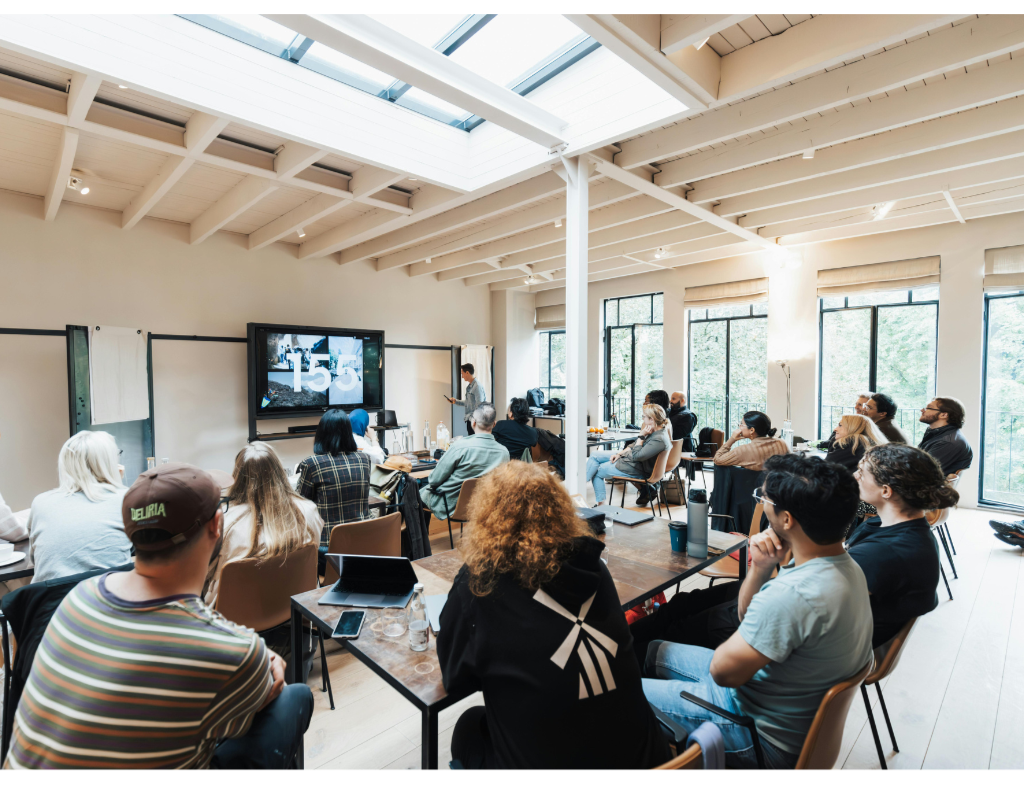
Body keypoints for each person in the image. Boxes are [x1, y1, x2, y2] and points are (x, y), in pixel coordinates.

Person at [2, 463, 313, 771]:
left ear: (130, 532)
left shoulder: (79, 596)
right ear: (216, 525)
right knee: (294, 698)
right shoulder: (230, 650)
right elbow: (262, 694)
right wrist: (255, 657)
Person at [641, 454, 873, 770]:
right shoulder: (846, 567)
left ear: (787, 519)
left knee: (619, 696)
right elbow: (746, 618)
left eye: (765, 500)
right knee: (653, 651)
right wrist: (761, 567)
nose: (762, 504)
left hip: (759, 735)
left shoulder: (794, 594)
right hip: (782, 713)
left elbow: (723, 672)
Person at [437, 462, 671, 770]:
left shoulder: (479, 586)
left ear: (486, 517)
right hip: (649, 764)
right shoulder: (594, 567)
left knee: (469, 726)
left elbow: (455, 679)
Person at [848, 444, 952, 646]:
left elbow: (815, 602)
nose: (855, 476)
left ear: (886, 490)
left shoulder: (881, 553)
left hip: (841, 649)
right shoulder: (897, 528)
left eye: (861, 472)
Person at [205, 442, 322, 609]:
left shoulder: (223, 520)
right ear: (279, 473)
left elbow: (204, 573)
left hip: (237, 614)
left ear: (238, 476)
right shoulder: (309, 510)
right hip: (297, 607)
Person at [25, 430, 132, 583]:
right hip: (108, 594)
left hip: (51, 597)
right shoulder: (127, 498)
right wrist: (116, 485)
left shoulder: (40, 502)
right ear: (109, 463)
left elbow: (35, 560)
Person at [297, 410, 371, 575]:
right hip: (363, 546)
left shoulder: (312, 464)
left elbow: (299, 504)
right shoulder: (364, 459)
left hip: (328, 551)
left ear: (321, 434)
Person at [421, 403, 509, 522]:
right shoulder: (504, 453)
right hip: (484, 506)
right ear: (494, 424)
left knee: (413, 494)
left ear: (473, 423)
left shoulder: (460, 447)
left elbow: (434, 480)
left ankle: (416, 535)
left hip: (451, 506)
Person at [586, 404, 671, 506]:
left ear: (651, 419)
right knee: (595, 455)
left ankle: (601, 505)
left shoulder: (659, 439)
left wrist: (641, 436)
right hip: (630, 460)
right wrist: (619, 454)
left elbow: (637, 456)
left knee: (597, 470)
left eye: (644, 417)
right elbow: (634, 445)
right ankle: (581, 484)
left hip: (635, 467)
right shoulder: (654, 431)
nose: (643, 419)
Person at [713, 411, 789, 470]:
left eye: (741, 424)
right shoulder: (781, 443)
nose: (739, 426)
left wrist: (732, 439)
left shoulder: (743, 451)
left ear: (752, 430)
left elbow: (717, 459)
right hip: (778, 485)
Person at [918, 396, 973, 475]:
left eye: (928, 408)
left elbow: (921, 472)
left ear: (944, 415)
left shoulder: (947, 442)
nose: (922, 410)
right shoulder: (937, 435)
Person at [447, 363, 486, 435]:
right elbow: (468, 403)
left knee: (475, 441)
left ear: (467, 372)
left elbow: (480, 406)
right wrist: (455, 401)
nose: (462, 376)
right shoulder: (469, 387)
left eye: (462, 374)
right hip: (470, 421)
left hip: (475, 422)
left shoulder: (477, 386)